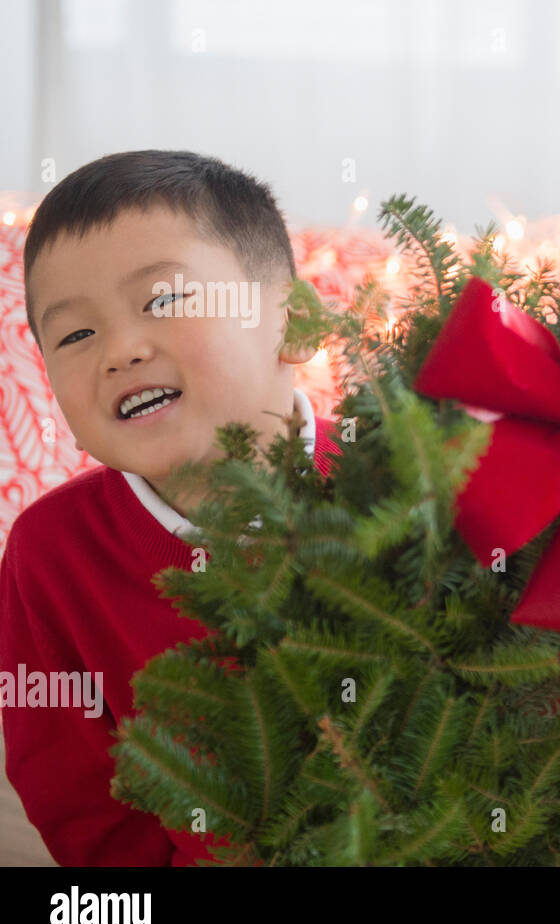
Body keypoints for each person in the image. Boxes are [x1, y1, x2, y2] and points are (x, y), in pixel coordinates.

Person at [0, 149, 340, 865]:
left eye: (163, 300)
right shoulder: (49, 554)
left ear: (292, 319)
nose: (119, 351)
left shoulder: (412, 485)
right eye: (75, 334)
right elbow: (81, 803)